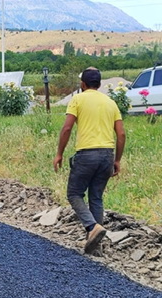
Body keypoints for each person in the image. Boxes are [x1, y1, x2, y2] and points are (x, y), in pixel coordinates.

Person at [53, 67, 126, 254]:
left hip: (87, 154)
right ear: (99, 84)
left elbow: (67, 128)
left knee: (74, 194)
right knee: (96, 196)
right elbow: (121, 134)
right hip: (107, 155)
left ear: (82, 84)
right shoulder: (111, 103)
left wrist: (59, 153)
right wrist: (117, 159)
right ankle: (96, 246)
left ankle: (92, 227)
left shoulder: (77, 99)